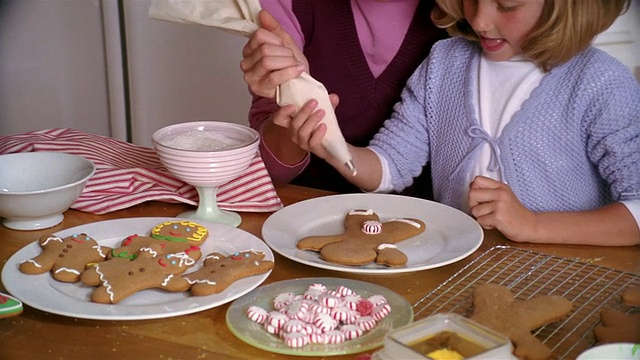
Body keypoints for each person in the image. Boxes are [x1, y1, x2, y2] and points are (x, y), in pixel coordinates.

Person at [267, 0, 640, 246]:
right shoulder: (445, 62)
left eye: (506, 4)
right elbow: (392, 166)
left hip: (569, 274)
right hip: (463, 267)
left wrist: (533, 226)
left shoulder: (601, 83)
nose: (479, 19)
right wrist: (333, 146)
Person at [240, 0, 447, 196]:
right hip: (303, 208)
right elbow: (271, 171)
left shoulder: (467, 18)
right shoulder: (290, 7)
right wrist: (296, 93)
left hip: (427, 221)